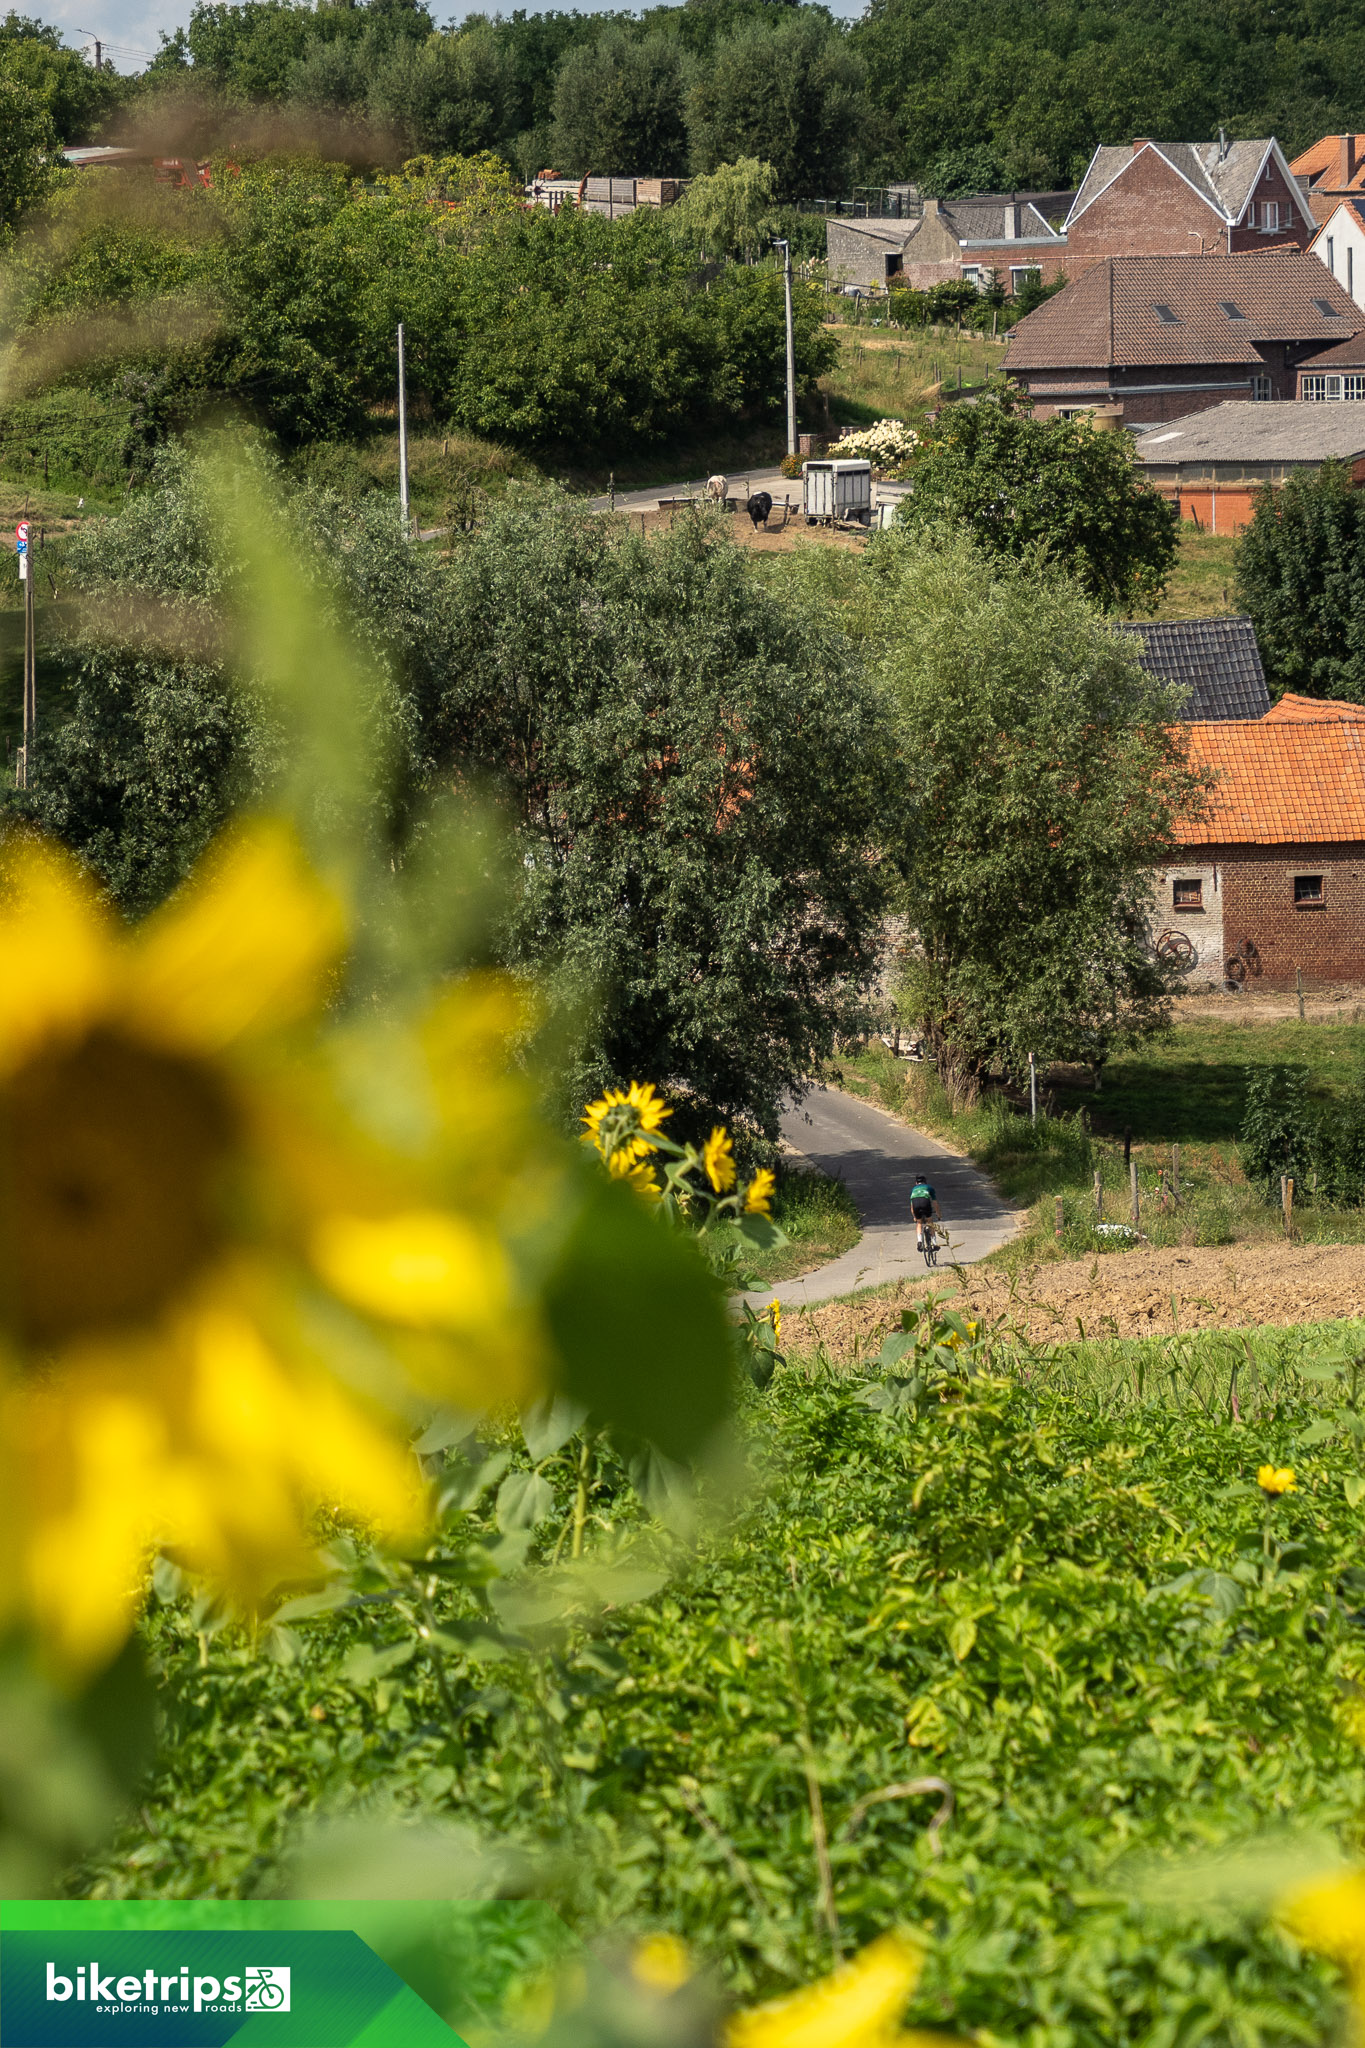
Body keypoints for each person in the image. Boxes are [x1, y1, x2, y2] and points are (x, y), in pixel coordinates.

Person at [909, 1175, 940, 1252]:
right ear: (925, 1182)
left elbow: (912, 1207)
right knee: (929, 1221)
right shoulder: (929, 1187)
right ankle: (934, 1244)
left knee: (919, 1222)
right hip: (925, 1203)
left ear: (916, 1183)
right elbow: (935, 1203)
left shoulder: (913, 1189)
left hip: (916, 1204)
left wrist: (914, 1217)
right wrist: (938, 1214)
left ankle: (919, 1241)